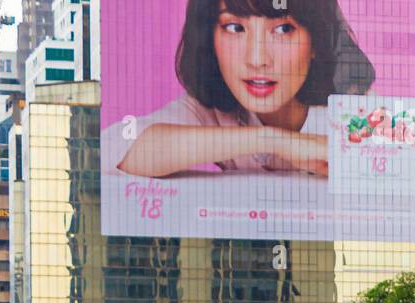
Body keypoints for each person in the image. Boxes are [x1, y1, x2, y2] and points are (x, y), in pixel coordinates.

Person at [109, 0, 374, 181]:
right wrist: (273, 140)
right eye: (235, 28)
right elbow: (119, 149)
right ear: (210, 38)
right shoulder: (211, 111)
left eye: (283, 29)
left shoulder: (355, 113)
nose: (257, 59)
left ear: (317, 41)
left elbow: (405, 171)